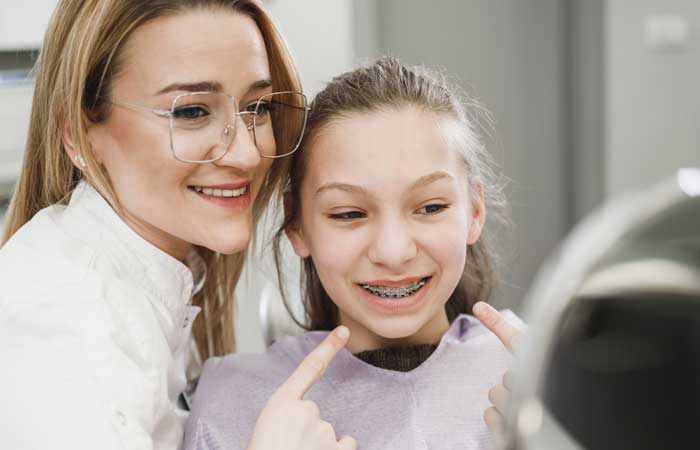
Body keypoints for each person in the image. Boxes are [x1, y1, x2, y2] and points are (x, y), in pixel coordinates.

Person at [0, 1, 356, 449]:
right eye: (191, 112)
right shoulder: (67, 334)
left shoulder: (149, 277)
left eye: (258, 107)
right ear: (78, 134)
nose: (246, 154)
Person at [184, 57, 524, 450]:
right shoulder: (232, 405)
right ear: (297, 226)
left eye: (430, 207)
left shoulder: (545, 381)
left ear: (474, 212)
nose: (393, 252)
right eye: (349, 213)